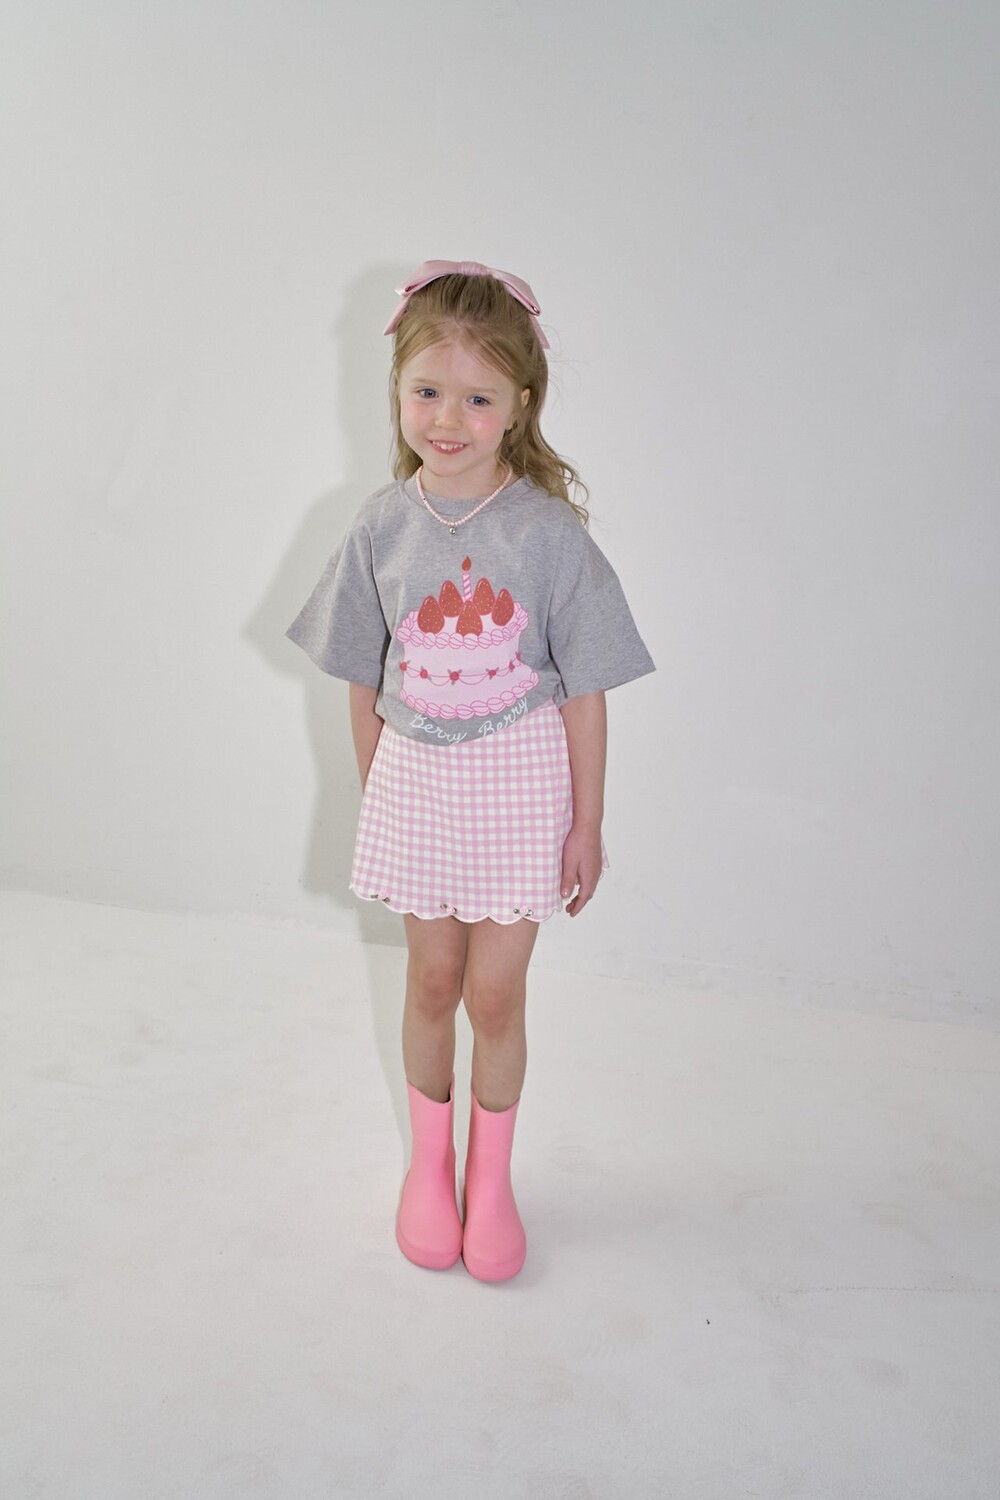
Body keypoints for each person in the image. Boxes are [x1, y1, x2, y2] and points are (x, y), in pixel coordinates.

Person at [287, 260, 654, 1282]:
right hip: (418, 785)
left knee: (494, 996)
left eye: (478, 398)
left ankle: (490, 1180)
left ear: (520, 403)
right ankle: (429, 1166)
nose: (449, 419)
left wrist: (587, 823)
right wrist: (380, 790)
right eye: (427, 391)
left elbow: (586, 690)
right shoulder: (378, 523)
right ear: (398, 390)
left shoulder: (548, 533)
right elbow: (360, 675)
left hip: (523, 785)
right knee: (432, 979)